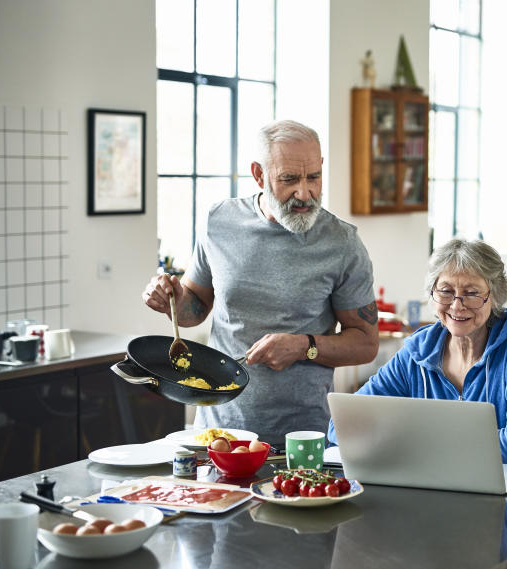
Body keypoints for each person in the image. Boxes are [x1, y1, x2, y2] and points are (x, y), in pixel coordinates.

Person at [329, 238, 507, 569]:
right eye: (445, 291)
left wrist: (412, 445)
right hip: (443, 509)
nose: (457, 305)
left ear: (495, 295)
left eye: (472, 292)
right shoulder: (418, 352)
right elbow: (343, 427)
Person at [142, 120, 379, 445]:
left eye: (314, 177)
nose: (304, 193)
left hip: (302, 436)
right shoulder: (219, 221)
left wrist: (303, 347)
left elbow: (366, 342)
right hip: (218, 431)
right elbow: (194, 308)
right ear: (258, 174)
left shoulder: (342, 243)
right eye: (289, 179)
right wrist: (170, 299)